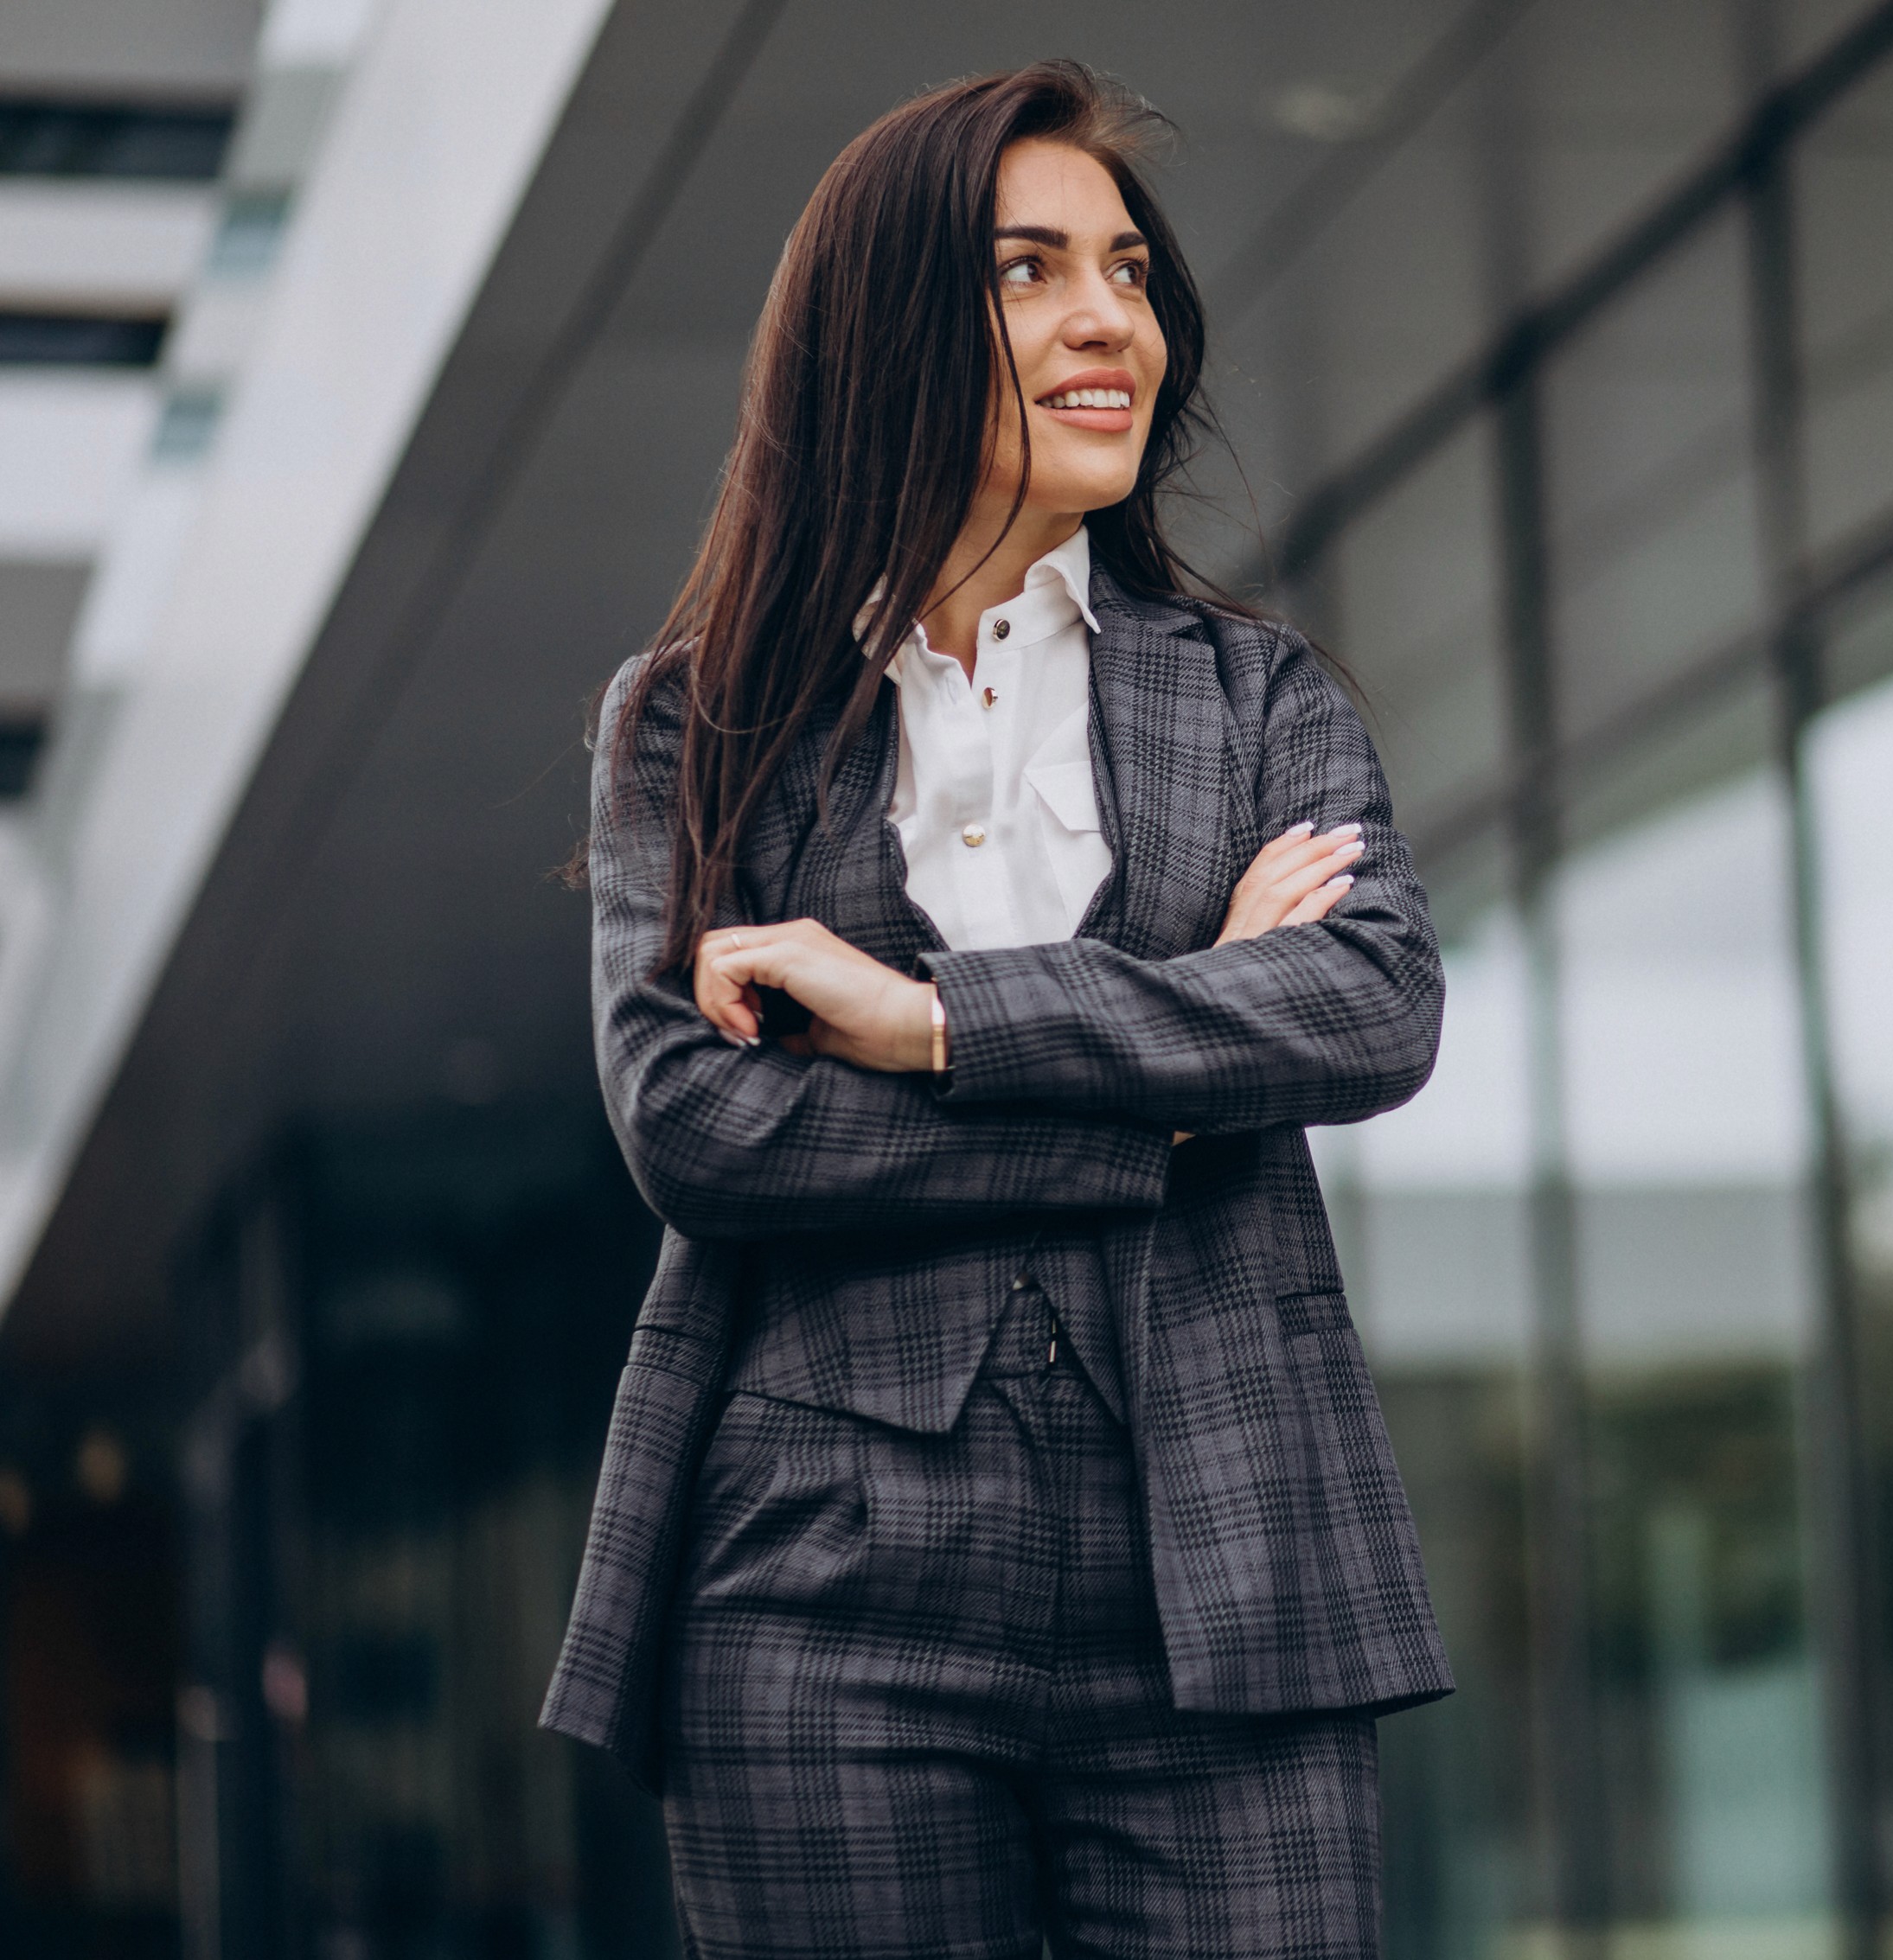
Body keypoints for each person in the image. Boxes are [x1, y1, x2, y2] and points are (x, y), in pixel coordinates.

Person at [538, 61, 1449, 1960]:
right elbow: (699, 1131)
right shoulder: (694, 721)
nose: (1107, 314)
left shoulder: (1261, 701)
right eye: (1028, 270)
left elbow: (1368, 1010)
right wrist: (1186, 1061)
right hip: (813, 1589)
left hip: (1230, 1560)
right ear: (882, 331)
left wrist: (926, 1023)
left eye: (1123, 268)